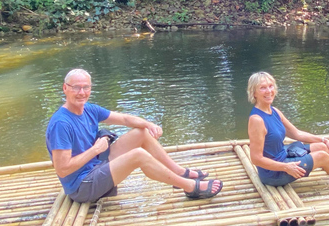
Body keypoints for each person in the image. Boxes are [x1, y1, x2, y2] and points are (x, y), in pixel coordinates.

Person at [46, 69, 223, 202]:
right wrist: (95, 150)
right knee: (138, 155)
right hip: (82, 186)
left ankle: (179, 174)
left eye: (86, 87)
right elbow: (63, 169)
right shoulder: (61, 124)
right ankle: (190, 187)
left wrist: (148, 123)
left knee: (141, 133)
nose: (82, 92)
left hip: (96, 165)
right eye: (76, 88)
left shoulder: (88, 109)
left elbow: (123, 118)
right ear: (65, 88)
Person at [246, 71, 329, 186]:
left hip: (283, 155)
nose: (269, 91)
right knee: (321, 156)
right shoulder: (257, 120)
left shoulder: (274, 111)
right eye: (263, 88)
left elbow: (296, 133)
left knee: (322, 147)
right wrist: (286, 167)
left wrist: (324, 139)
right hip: (274, 173)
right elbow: (256, 159)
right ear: (254, 93)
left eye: (271, 86)